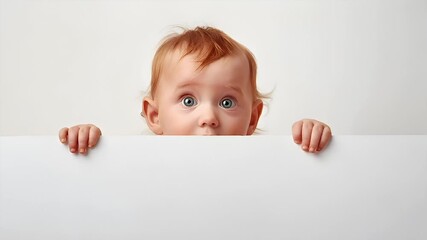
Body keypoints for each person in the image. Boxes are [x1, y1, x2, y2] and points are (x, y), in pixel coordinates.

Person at [59, 26, 332, 155]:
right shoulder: (139, 163)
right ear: (154, 116)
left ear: (252, 118)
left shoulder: (262, 163)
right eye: (188, 100)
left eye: (227, 102)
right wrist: (86, 142)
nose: (209, 117)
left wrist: (309, 139)